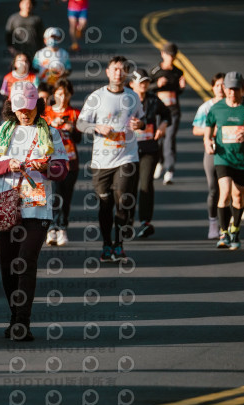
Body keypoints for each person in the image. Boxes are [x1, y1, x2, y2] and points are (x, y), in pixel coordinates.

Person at [0, 81, 69, 341]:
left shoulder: (50, 133)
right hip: (6, 206)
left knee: (26, 261)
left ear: (38, 105)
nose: (25, 113)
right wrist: (7, 164)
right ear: (12, 107)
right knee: (8, 266)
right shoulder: (2, 132)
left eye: (29, 107)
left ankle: (22, 322)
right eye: (19, 108)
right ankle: (14, 316)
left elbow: (63, 169)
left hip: (37, 209)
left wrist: (46, 168)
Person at [77, 56, 146, 262]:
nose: (118, 73)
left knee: (123, 200)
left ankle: (119, 245)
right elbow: (80, 124)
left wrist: (139, 125)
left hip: (127, 157)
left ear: (126, 73)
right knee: (105, 204)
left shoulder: (133, 96)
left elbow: (142, 120)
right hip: (102, 161)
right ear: (108, 72)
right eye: (115, 69)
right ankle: (107, 244)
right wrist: (96, 127)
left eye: (123, 69)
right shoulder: (97, 97)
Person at [203, 71, 244, 250]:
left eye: (236, 89)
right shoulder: (216, 108)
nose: (233, 93)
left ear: (242, 89)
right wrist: (207, 141)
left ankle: (235, 229)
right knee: (224, 192)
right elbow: (208, 125)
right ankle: (223, 232)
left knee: (238, 197)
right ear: (224, 89)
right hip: (223, 157)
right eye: (230, 89)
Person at [129, 69, 171, 238]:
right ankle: (126, 222)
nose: (144, 85)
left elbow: (167, 114)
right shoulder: (125, 101)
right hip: (128, 151)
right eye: (141, 82)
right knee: (129, 186)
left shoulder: (153, 99)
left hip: (150, 149)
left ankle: (145, 222)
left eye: (146, 82)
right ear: (132, 84)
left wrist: (162, 126)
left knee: (146, 184)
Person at [43, 78, 81, 245]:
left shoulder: (74, 113)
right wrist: (51, 127)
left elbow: (79, 138)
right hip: (52, 161)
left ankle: (63, 228)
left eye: (66, 94)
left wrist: (72, 129)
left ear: (70, 95)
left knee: (66, 196)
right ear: (54, 94)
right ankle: (52, 228)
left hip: (70, 161)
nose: (63, 97)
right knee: (53, 195)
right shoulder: (47, 113)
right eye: (59, 94)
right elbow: (40, 137)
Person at [193, 72, 225, 239]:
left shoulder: (234, 106)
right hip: (212, 150)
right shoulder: (206, 107)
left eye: (223, 85)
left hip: (231, 152)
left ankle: (227, 226)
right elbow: (196, 129)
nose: (220, 88)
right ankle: (213, 224)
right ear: (212, 87)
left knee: (230, 190)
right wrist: (211, 131)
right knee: (214, 189)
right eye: (217, 85)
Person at [150, 42, 186, 185]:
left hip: (173, 111)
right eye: (168, 55)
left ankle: (169, 170)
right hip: (157, 111)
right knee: (158, 139)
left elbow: (177, 91)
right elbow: (145, 88)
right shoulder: (155, 71)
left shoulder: (178, 72)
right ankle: (159, 162)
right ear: (162, 54)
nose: (171, 58)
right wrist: (156, 85)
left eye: (173, 55)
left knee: (169, 139)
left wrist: (181, 88)